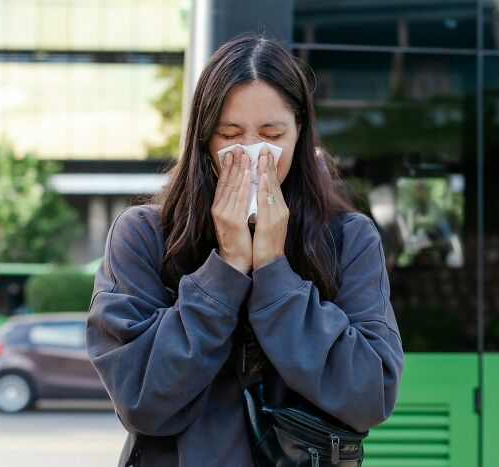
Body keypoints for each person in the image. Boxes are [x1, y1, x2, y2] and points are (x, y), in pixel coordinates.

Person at [85, 33, 404, 467]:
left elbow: (370, 394)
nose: (254, 155)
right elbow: (142, 400)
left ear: (299, 136)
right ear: (203, 140)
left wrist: (274, 270)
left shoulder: (348, 238)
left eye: (272, 134)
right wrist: (228, 269)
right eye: (230, 134)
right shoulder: (142, 236)